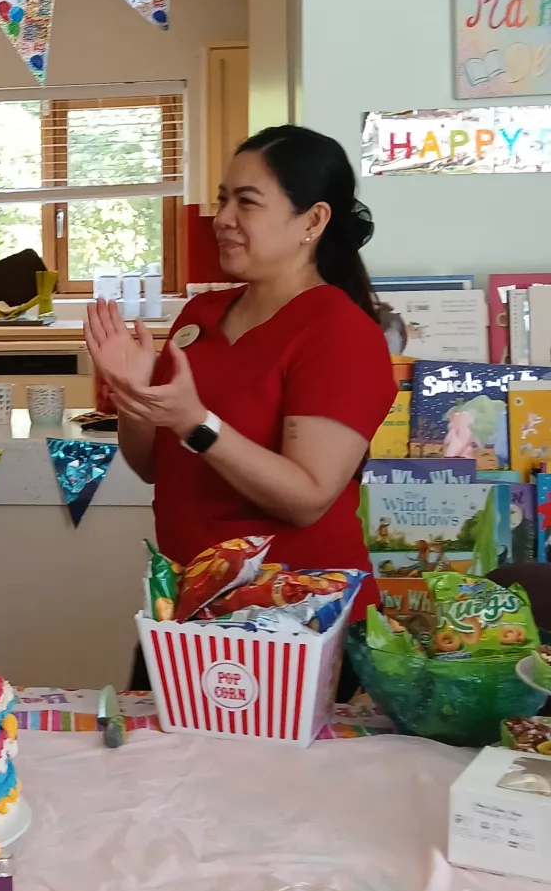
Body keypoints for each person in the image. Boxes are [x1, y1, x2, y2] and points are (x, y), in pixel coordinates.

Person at [85, 125, 397, 692]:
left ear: (313, 221)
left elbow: (305, 497)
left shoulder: (339, 332)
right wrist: (133, 396)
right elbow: (156, 466)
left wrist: (195, 422)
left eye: (246, 202)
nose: (223, 217)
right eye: (223, 198)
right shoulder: (200, 314)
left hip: (298, 626)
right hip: (188, 614)